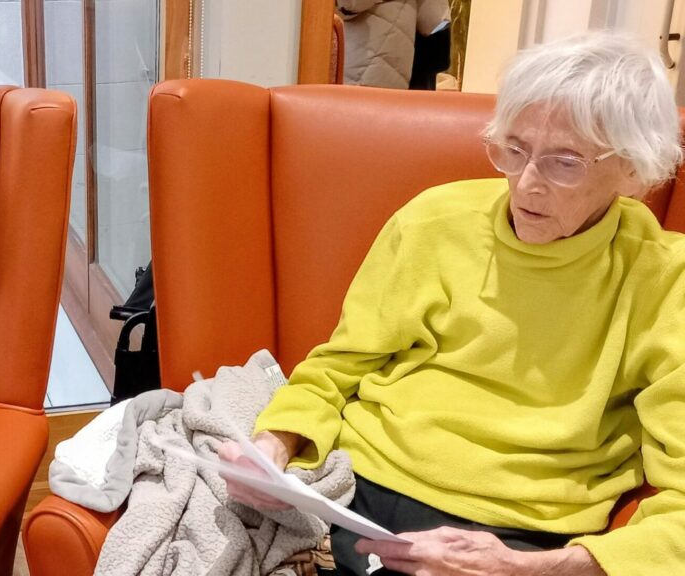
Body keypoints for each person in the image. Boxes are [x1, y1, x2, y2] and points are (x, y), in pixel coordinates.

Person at [220, 32, 685, 575]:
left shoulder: (663, 277)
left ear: (633, 169)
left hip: (521, 532)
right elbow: (338, 367)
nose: (526, 184)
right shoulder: (435, 222)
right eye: (514, 149)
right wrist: (273, 447)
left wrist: (534, 569)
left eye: (565, 163)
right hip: (359, 490)